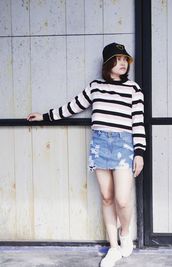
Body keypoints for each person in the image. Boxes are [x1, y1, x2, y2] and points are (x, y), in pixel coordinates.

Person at [27, 42, 146, 267]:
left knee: (122, 198)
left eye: (125, 60)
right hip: (100, 144)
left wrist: (139, 153)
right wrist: (44, 116)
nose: (122, 64)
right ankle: (113, 248)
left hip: (123, 144)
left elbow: (138, 123)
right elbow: (72, 107)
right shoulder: (95, 87)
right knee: (107, 197)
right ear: (108, 63)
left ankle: (125, 233)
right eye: (117, 59)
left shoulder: (134, 89)